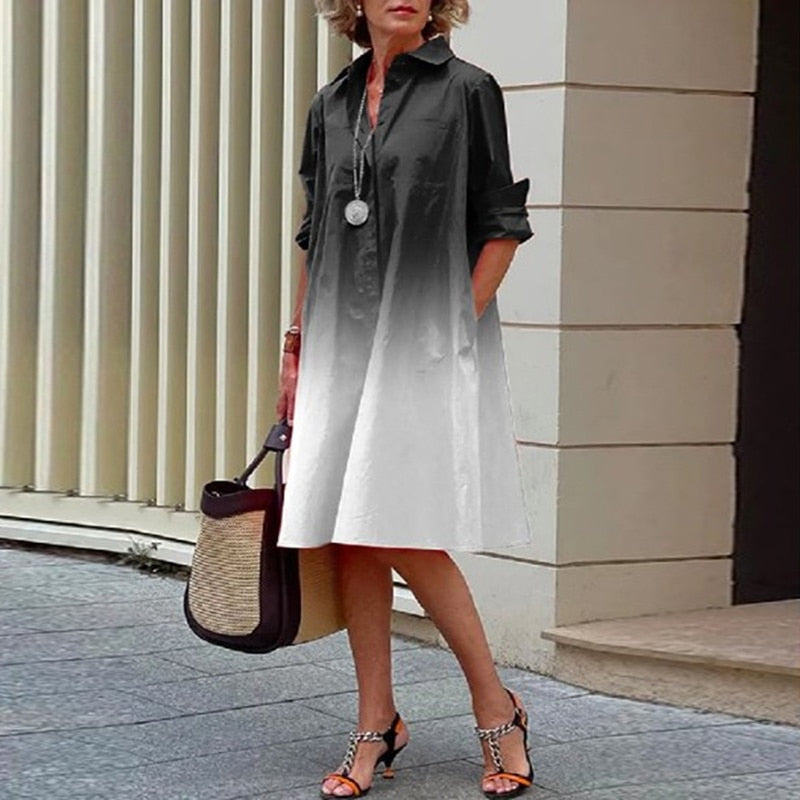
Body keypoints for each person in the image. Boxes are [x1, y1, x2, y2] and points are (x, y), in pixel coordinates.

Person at [276, 1, 534, 797]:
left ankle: (496, 707)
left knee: (403, 529)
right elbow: (318, 233)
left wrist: (453, 329)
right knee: (353, 536)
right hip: (338, 341)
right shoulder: (331, 103)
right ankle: (376, 721)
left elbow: (502, 222)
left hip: (421, 340)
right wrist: (296, 347)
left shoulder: (467, 89)